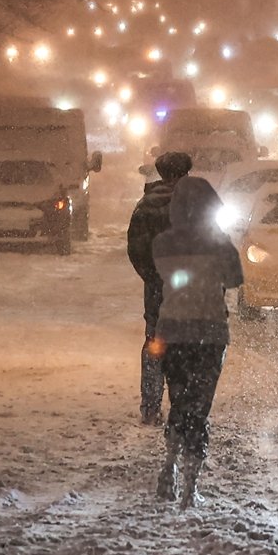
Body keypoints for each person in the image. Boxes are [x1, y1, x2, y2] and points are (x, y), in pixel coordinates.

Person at [151, 176, 242, 509]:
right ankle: (190, 487)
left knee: (178, 399)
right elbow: (235, 279)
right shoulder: (219, 245)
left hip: (173, 332)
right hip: (209, 332)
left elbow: (158, 275)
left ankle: (169, 464)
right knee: (198, 408)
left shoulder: (162, 243)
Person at [127, 151, 192, 425]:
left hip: (157, 288)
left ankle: (151, 407)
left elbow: (136, 249)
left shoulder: (146, 205)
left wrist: (152, 276)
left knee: (155, 342)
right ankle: (183, 405)